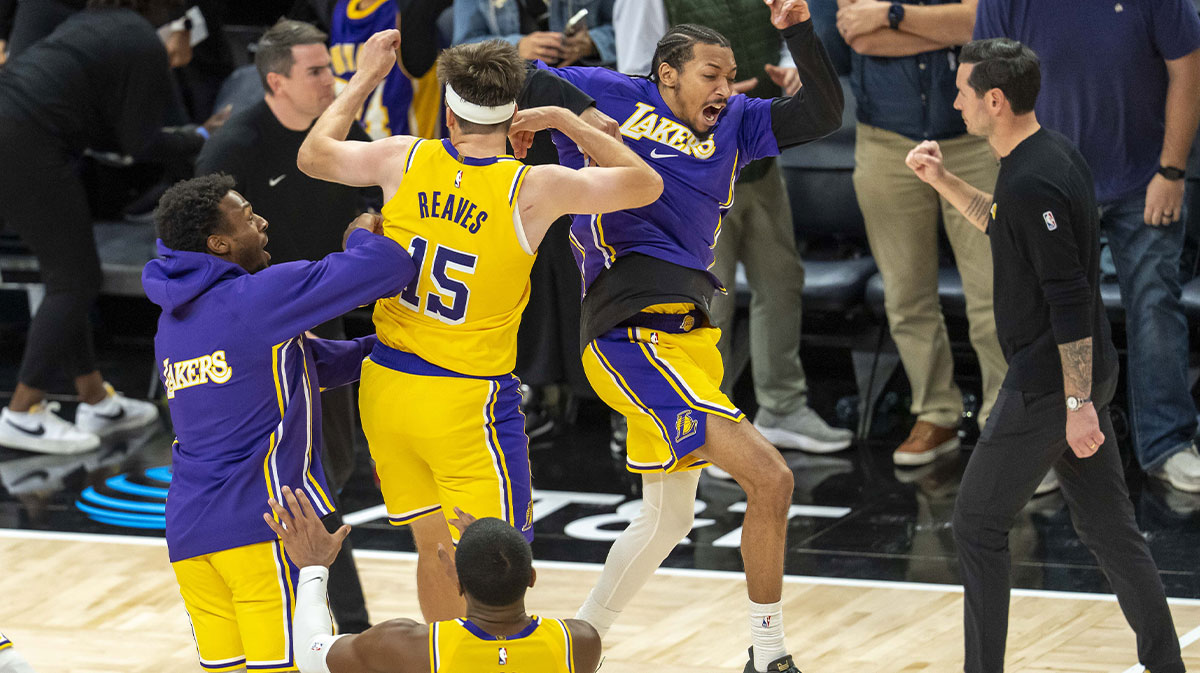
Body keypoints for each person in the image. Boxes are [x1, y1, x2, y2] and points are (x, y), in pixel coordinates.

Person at [297, 30, 662, 622]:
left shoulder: (403, 157)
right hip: (466, 400)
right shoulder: (532, 187)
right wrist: (567, 122)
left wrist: (364, 78)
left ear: (448, 112)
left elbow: (314, 154)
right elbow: (647, 183)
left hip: (387, 387)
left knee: (434, 549)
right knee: (497, 568)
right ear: (515, 113)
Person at [533, 1, 843, 670]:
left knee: (668, 520)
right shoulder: (610, 89)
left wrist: (799, 32)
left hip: (689, 334)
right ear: (668, 74)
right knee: (772, 478)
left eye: (731, 75)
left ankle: (573, 646)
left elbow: (823, 113)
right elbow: (506, 79)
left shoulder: (737, 122)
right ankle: (768, 653)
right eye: (711, 74)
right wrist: (567, 113)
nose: (725, 88)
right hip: (629, 329)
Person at [905, 38, 1185, 673]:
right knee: (1112, 533)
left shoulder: (1034, 177)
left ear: (995, 100)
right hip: (1074, 380)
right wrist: (943, 179)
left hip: (1047, 388)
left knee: (977, 526)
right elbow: (1005, 225)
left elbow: (1070, 296)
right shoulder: (1048, 154)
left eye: (963, 92)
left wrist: (1078, 405)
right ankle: (1166, 664)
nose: (955, 102)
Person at [143, 174, 415, 673]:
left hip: (190, 536)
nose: (262, 222)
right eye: (248, 216)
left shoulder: (173, 319)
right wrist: (359, 232)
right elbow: (390, 265)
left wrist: (401, 352)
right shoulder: (256, 299)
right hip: (262, 528)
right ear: (218, 243)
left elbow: (309, 365)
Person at [193, 18, 380, 634]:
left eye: (332, 67)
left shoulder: (339, 135)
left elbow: (363, 206)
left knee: (334, 470)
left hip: (319, 315)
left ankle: (325, 615)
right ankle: (331, 621)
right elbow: (194, 245)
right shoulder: (235, 147)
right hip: (256, 333)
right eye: (317, 71)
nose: (333, 79)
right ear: (275, 81)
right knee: (292, 481)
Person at [974, 0, 1200, 493]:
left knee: (1156, 307)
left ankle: (1167, 442)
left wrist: (1172, 170)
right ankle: (1046, 445)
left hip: (1145, 179)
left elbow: (1189, 69)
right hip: (1047, 181)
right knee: (1043, 315)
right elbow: (987, 86)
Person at [612, 0, 854, 456]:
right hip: (688, 173)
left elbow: (787, 37)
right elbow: (633, 87)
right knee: (704, 303)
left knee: (782, 282)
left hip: (756, 162)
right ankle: (705, 422)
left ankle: (782, 406)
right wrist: (703, 99)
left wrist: (790, 70)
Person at [0, 0, 228, 456]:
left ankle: (94, 399)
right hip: (28, 144)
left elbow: (104, 131)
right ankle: (22, 412)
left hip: (17, 130)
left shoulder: (97, 23)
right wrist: (201, 136)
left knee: (68, 278)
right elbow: (138, 143)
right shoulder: (142, 41)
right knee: (75, 280)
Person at [809, 0, 1007, 467]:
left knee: (995, 293)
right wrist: (947, 29)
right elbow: (855, 37)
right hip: (886, 141)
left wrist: (892, 15)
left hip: (978, 141)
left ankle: (1006, 419)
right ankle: (935, 411)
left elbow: (988, 25)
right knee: (905, 295)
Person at [263, 486, 602, 673]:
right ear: (531, 577)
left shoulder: (408, 646)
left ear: (455, 580)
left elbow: (311, 655)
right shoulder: (580, 642)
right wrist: (487, 545)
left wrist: (312, 567)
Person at [453, 0, 616, 67]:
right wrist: (515, 48)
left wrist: (592, 43)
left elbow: (632, 33)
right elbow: (463, 48)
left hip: (587, 81)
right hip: (513, 93)